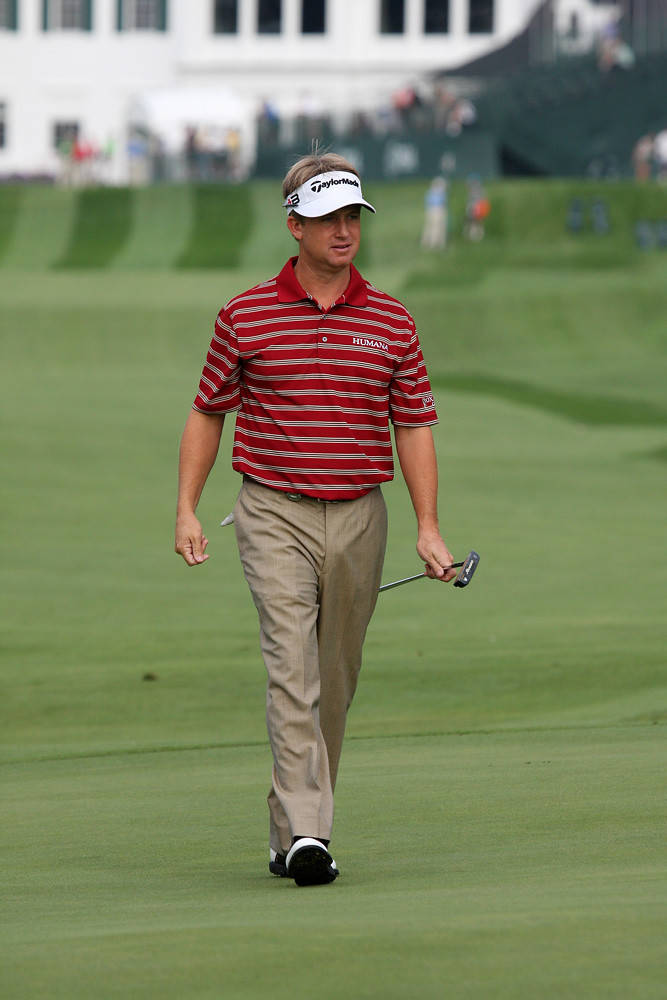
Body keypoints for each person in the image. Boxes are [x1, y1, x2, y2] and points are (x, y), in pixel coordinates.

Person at [174, 152, 458, 887]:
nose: (343, 230)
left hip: (362, 513)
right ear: (293, 223)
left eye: (351, 216)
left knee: (333, 677)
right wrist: (187, 509)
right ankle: (310, 833)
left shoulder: (392, 320)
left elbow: (415, 424)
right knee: (291, 666)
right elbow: (209, 411)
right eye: (328, 217)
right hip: (272, 509)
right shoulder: (245, 314)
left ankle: (289, 829)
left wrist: (428, 527)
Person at [421, 176, 448, 250]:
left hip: (431, 210)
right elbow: (442, 203)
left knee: (431, 226)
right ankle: (434, 243)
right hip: (437, 210)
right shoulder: (437, 193)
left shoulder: (430, 192)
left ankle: (429, 242)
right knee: (436, 227)